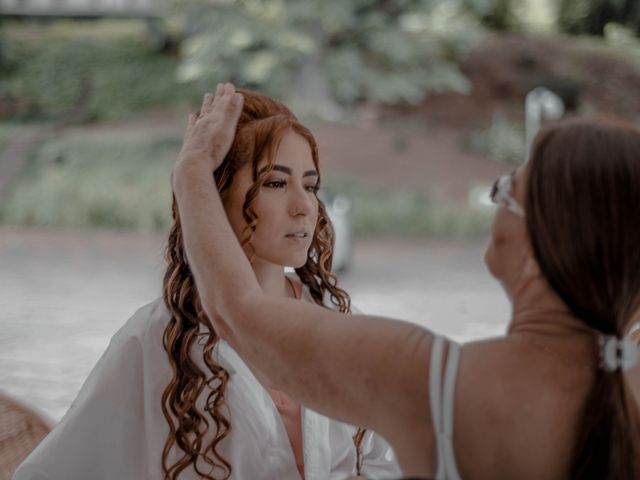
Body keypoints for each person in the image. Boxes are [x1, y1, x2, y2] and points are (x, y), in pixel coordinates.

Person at [171, 83, 640, 479]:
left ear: (542, 252)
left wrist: (192, 170)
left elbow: (238, 312)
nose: (494, 203)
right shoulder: (628, 385)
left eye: (505, 192)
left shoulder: (433, 381)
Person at [13, 90, 400, 480]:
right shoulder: (159, 338)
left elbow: (389, 462)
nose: (303, 206)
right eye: (275, 184)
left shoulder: (342, 325)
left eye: (311, 186)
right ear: (214, 195)